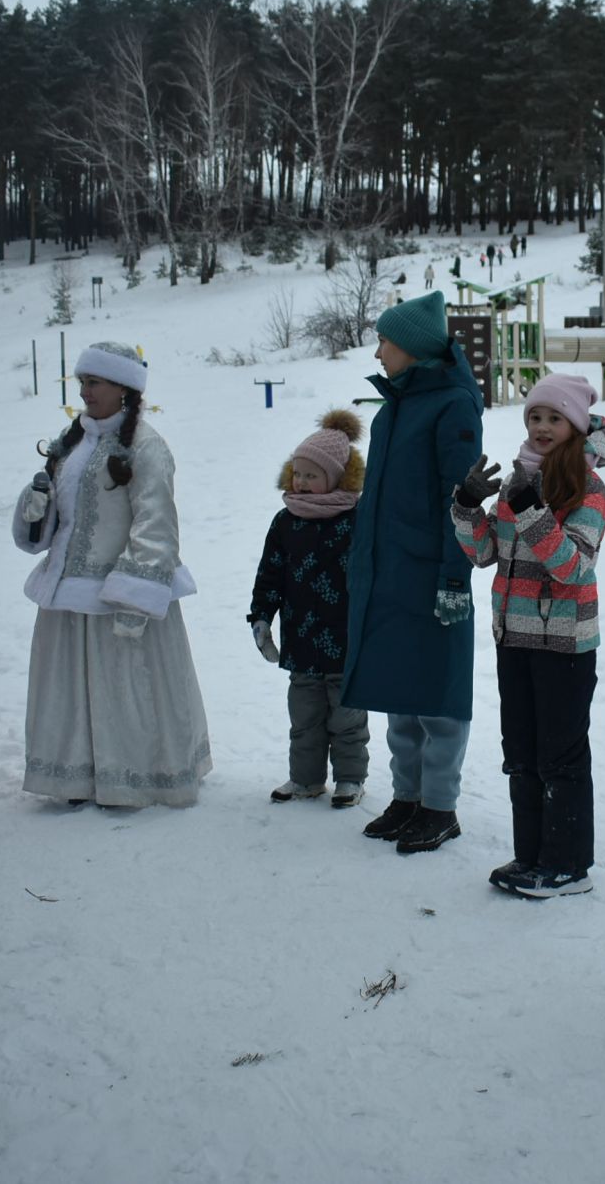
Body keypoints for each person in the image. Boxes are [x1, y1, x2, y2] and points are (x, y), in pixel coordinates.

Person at [13, 341, 212, 808]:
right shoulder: (72, 442)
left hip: (118, 597)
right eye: (82, 381)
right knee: (72, 692)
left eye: (94, 382)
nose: (85, 391)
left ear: (124, 388)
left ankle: (136, 776)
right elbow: (58, 521)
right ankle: (76, 778)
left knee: (126, 690)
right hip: (68, 597)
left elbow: (156, 524)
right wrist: (35, 507)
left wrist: (134, 597)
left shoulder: (147, 445)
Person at [451, 374, 605, 899]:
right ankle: (531, 855)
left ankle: (567, 865)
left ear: (575, 426)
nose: (542, 427)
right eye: (534, 417)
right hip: (513, 637)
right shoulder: (517, 480)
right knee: (520, 751)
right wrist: (467, 507)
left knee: (560, 756)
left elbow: (571, 567)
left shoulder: (590, 490)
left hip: (565, 643)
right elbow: (484, 554)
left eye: (554, 418)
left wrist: (529, 509)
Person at [341, 291, 483, 854]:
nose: (377, 353)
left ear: (412, 349)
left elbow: (461, 499)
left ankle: (440, 806)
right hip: (388, 571)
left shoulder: (453, 405)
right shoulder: (397, 403)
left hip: (429, 572)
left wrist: (454, 575)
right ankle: (406, 798)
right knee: (398, 689)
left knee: (437, 697)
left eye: (384, 342)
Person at [248, 409, 371, 809]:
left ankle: (350, 779)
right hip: (300, 641)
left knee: (347, 720)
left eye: (311, 475)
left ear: (338, 477)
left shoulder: (358, 521)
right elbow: (269, 575)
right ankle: (306, 780)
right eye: (297, 473)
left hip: (347, 641)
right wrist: (262, 618)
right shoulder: (285, 522)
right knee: (303, 718)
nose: (301, 482)